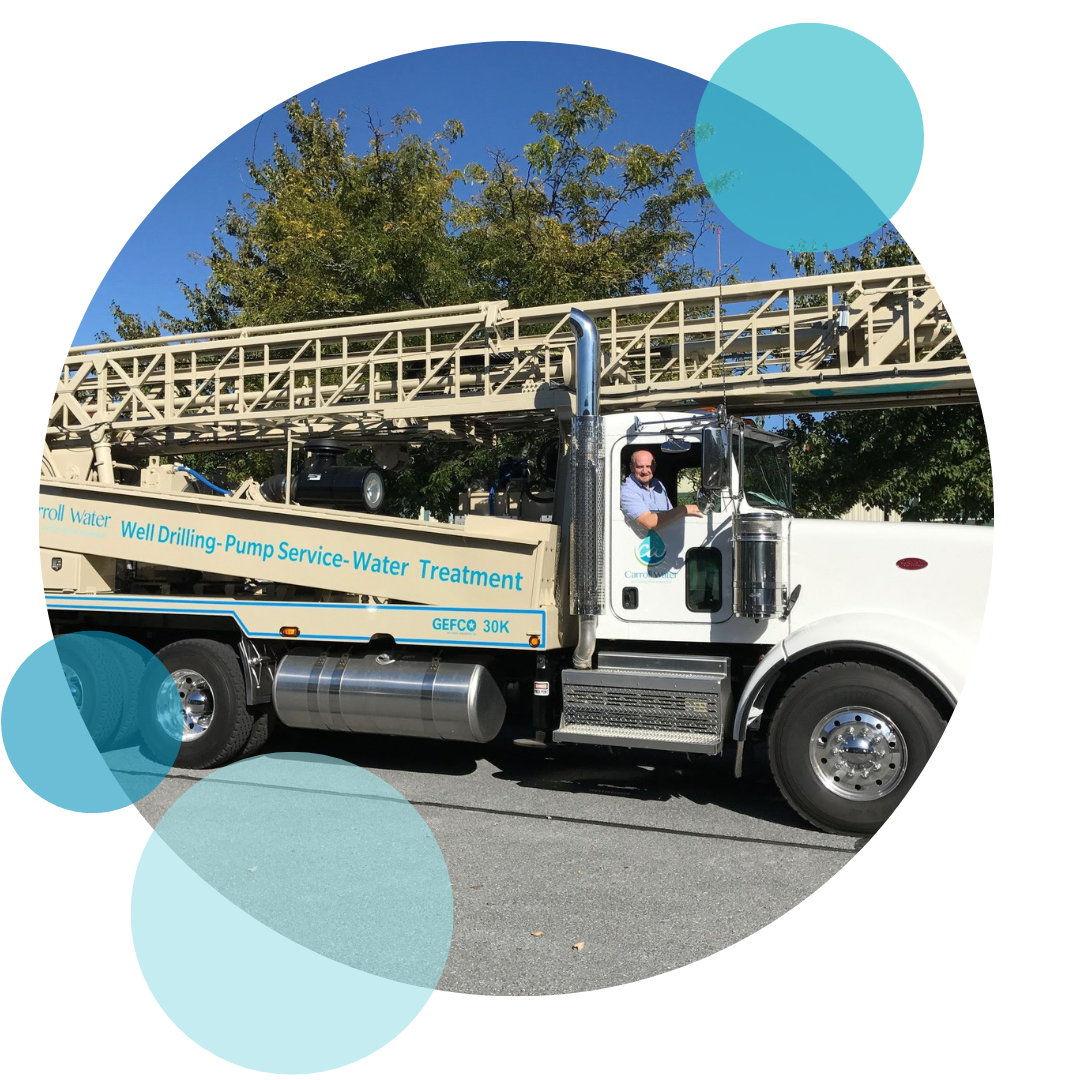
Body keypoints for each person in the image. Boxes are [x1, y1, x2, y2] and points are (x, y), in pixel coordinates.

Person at [619, 449, 703, 530]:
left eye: (648, 466)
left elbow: (670, 513)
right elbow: (648, 522)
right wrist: (683, 509)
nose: (645, 471)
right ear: (632, 467)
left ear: (654, 467)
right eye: (640, 467)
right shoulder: (627, 490)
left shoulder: (658, 484)